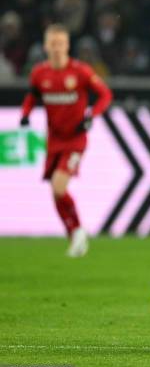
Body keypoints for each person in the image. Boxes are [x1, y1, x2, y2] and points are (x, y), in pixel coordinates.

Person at [20, 24, 113, 257]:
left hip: (75, 139)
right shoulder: (39, 74)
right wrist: (25, 114)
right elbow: (32, 97)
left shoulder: (80, 72)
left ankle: (78, 231)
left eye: (60, 43)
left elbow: (105, 95)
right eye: (52, 43)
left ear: (67, 45)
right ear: (45, 46)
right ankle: (74, 234)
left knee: (59, 187)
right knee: (55, 192)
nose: (56, 48)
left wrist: (92, 115)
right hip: (54, 140)